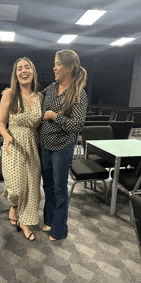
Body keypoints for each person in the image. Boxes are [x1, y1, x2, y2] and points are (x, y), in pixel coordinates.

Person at [39, 49, 88, 240]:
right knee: (48, 187)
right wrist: (13, 92)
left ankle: (59, 231)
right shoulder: (51, 88)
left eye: (58, 64)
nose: (54, 67)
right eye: (55, 63)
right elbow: (35, 98)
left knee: (60, 189)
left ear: (70, 68)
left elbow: (76, 125)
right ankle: (49, 220)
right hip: (45, 144)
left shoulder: (78, 93)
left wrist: (54, 116)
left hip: (62, 147)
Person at [0, 57, 43, 241]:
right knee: (16, 188)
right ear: (15, 74)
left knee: (31, 187)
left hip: (32, 146)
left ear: (33, 72)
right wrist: (7, 137)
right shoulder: (9, 94)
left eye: (27, 67)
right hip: (13, 145)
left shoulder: (40, 97)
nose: (23, 71)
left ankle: (24, 221)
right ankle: (14, 206)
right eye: (19, 68)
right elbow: (1, 123)